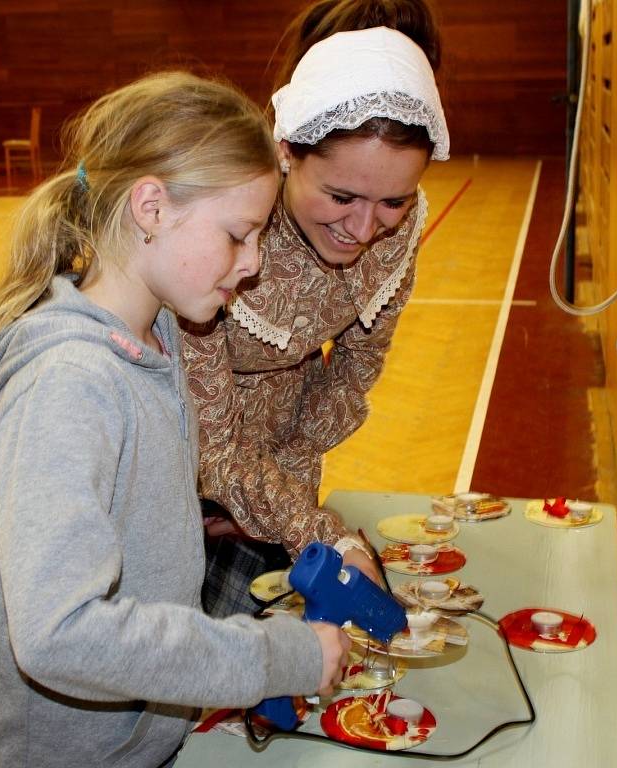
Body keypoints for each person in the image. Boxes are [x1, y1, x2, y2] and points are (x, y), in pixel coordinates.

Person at [0, 71, 350, 768]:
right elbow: (59, 633)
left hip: (140, 742)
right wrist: (268, 658)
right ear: (151, 207)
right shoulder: (69, 383)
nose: (252, 264)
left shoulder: (163, 334)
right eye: (238, 235)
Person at [180, 0, 450, 617]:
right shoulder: (228, 230)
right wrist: (311, 527)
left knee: (266, 646)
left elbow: (354, 371)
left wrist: (288, 495)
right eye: (341, 196)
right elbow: (207, 436)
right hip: (178, 461)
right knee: (173, 664)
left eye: (394, 202)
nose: (363, 228)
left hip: (272, 477)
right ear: (285, 153)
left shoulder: (392, 227)